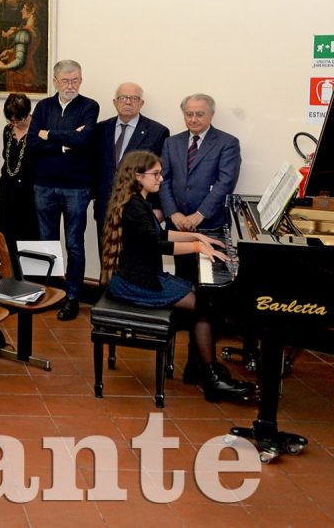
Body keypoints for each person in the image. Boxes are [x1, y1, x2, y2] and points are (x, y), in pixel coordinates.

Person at [99, 151, 253, 401]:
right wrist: (196, 248)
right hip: (136, 283)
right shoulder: (134, 207)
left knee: (200, 297)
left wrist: (197, 236)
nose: (161, 179)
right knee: (205, 305)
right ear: (138, 176)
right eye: (156, 174)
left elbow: (160, 235)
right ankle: (211, 377)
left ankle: (201, 367)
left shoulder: (138, 201)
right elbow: (156, 245)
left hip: (144, 276)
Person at [27, 59, 98, 320]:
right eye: (66, 81)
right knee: (46, 242)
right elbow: (33, 142)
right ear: (55, 81)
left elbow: (85, 139)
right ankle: (50, 291)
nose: (71, 85)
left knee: (75, 245)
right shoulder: (43, 106)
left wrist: (51, 134)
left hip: (76, 187)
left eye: (76, 80)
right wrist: (65, 142)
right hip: (44, 184)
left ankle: (72, 297)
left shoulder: (90, 106)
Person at [158, 93, 241, 282]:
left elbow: (225, 183)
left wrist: (199, 214)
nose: (193, 119)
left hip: (210, 224)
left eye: (199, 114)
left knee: (208, 279)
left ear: (211, 115)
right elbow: (163, 179)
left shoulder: (227, 143)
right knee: (183, 277)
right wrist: (173, 213)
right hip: (178, 224)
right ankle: (184, 310)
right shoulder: (171, 142)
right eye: (189, 114)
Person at [94, 82, 169, 237]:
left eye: (134, 98)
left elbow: (162, 173)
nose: (128, 102)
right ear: (115, 102)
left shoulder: (157, 132)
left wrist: (158, 207)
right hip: (105, 208)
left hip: (138, 209)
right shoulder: (101, 129)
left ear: (141, 103)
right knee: (107, 258)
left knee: (135, 258)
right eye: (123, 98)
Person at [0, 93, 39, 245]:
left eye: (18, 119)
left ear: (28, 114)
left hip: (29, 194)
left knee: (28, 237)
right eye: (11, 119)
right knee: (6, 236)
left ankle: (26, 270)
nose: (14, 123)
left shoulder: (39, 131)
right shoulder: (7, 131)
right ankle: (10, 269)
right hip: (7, 190)